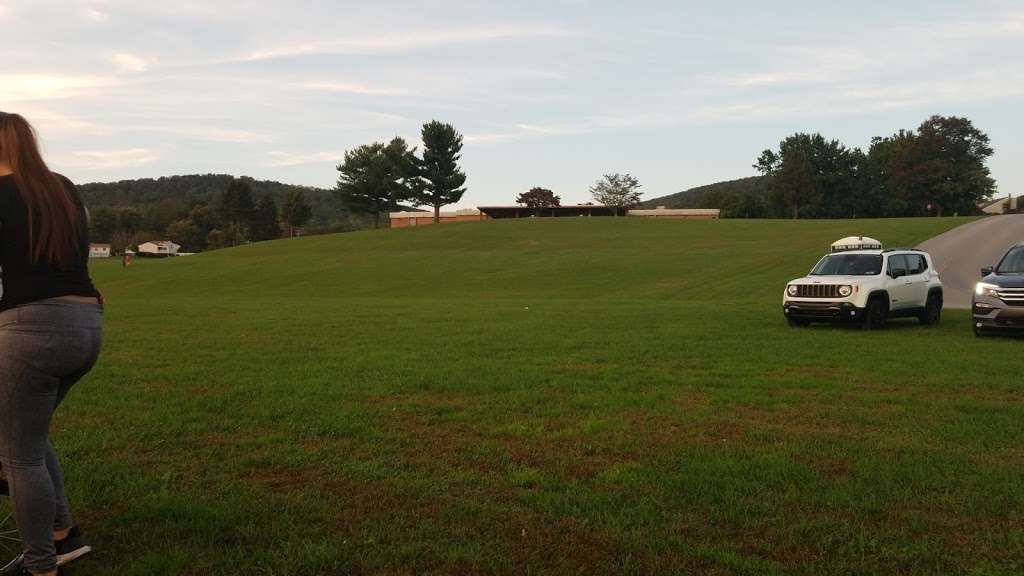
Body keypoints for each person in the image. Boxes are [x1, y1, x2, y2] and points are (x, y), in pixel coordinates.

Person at [0, 112, 101, 576]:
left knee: (17, 455)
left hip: (30, 332)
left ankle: (41, 564)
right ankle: (64, 535)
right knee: (29, 437)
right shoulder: (61, 187)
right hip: (85, 324)